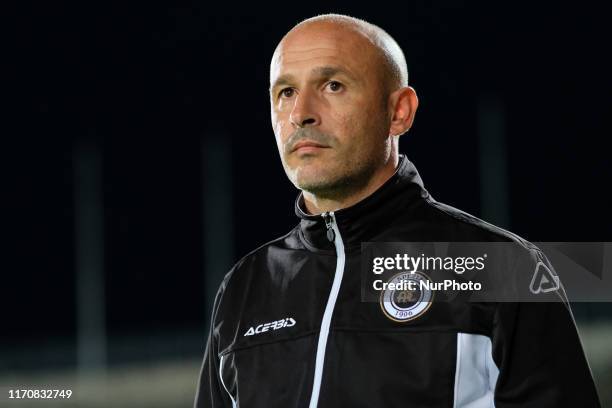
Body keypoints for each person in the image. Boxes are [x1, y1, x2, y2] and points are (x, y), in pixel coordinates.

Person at [194, 14, 600, 407]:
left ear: (399, 112)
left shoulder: (499, 268)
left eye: (333, 85)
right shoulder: (246, 288)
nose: (301, 113)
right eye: (285, 92)